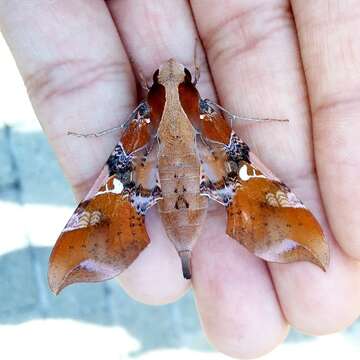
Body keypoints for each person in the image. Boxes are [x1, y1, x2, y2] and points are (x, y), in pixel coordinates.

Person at [1, 1, 359, 358]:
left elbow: (125, 127)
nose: (171, 75)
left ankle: (192, 251)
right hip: (209, 171)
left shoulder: (142, 119)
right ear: (193, 84)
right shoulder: (206, 114)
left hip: (150, 177)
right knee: (253, 181)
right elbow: (225, 115)